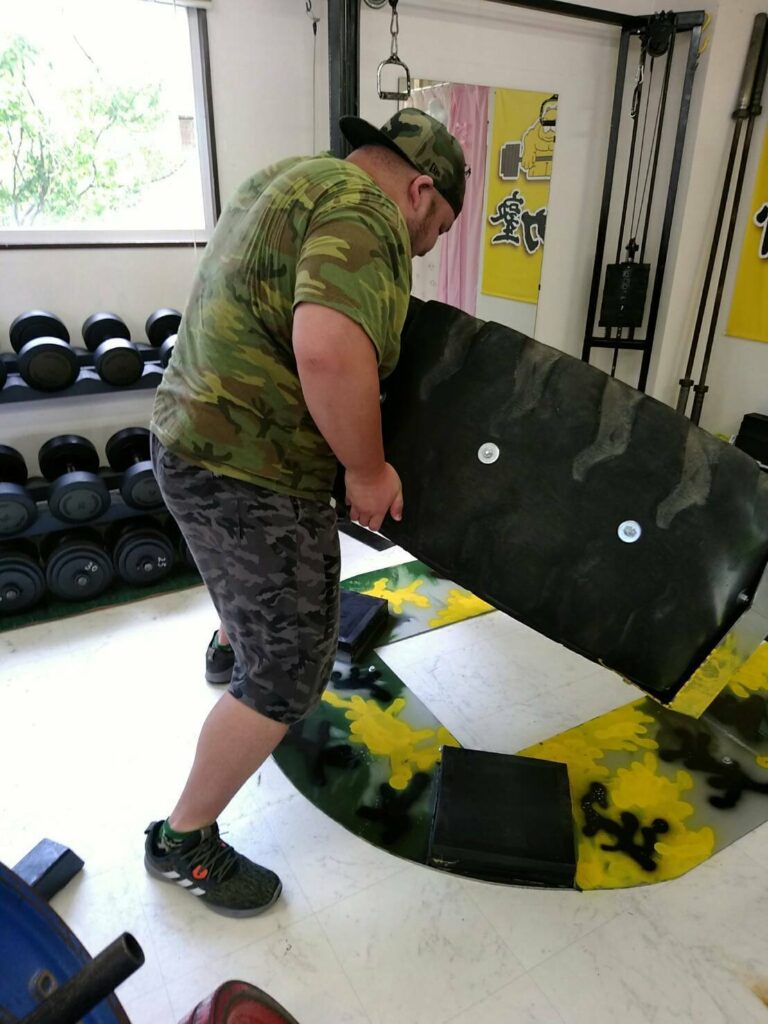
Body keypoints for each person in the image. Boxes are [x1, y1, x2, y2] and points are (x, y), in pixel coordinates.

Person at [144, 108, 467, 917]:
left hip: (186, 439)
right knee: (289, 672)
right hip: (253, 472)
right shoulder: (369, 214)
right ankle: (183, 841)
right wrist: (366, 468)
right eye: (435, 232)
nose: (423, 249)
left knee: (241, 578)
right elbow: (326, 350)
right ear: (420, 190)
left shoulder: (285, 180)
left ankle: (231, 639)